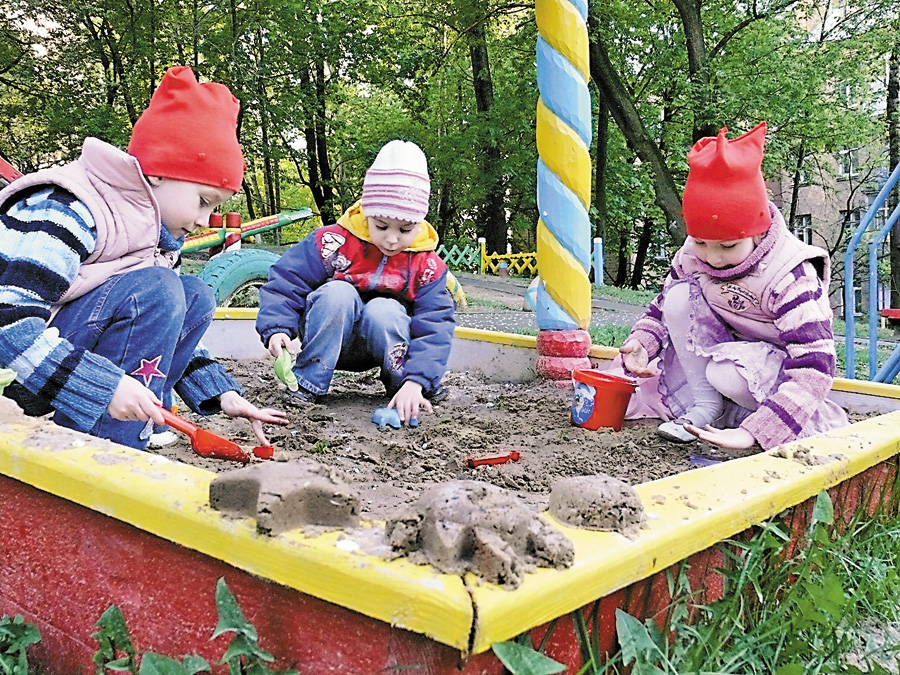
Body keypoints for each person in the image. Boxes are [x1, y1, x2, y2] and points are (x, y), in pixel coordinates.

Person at [0, 66, 287, 450]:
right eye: (204, 201)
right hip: (17, 372)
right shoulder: (73, 207)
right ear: (157, 174)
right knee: (157, 289)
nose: (205, 220)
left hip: (60, 367)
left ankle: (138, 427)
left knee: (194, 294)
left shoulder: (160, 238)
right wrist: (102, 385)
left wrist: (223, 395)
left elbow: (167, 329)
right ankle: (107, 450)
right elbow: (8, 316)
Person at [616, 121, 848, 451]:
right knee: (680, 296)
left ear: (757, 233)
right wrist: (643, 341)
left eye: (727, 247)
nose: (712, 258)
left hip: (779, 371)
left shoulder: (789, 274)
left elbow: (815, 364)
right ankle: (707, 407)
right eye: (701, 242)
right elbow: (664, 302)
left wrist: (756, 433)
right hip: (728, 348)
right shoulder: (694, 253)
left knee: (724, 373)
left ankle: (761, 422)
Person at [256, 139, 455, 426]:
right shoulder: (333, 242)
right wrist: (276, 329)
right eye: (381, 226)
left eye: (405, 229)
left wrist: (418, 380)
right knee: (338, 292)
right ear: (365, 213)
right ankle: (308, 382)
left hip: (385, 344)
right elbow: (287, 280)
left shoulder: (426, 266)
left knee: (384, 310)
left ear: (420, 222)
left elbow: (436, 325)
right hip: (326, 336)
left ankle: (403, 386)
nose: (392, 238)